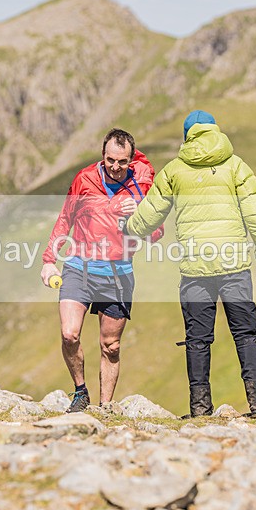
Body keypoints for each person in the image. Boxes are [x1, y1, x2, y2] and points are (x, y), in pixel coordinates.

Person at [122, 110, 256, 418]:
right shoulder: (236, 166)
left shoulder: (174, 170)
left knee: (197, 340)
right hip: (234, 267)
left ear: (187, 136)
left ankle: (200, 409)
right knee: (246, 334)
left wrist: (129, 228)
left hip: (195, 270)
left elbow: (151, 212)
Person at [41, 128, 162, 413]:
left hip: (118, 274)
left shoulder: (140, 187)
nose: (116, 167)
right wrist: (49, 260)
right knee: (69, 334)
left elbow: (157, 234)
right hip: (78, 268)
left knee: (111, 346)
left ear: (131, 160)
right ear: (102, 156)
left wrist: (137, 218)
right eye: (110, 160)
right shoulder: (84, 179)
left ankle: (105, 408)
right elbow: (65, 218)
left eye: (122, 161)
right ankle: (80, 392)